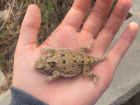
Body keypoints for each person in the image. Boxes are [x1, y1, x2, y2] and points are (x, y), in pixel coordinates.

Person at [10, 0, 139, 105]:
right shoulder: (51, 56)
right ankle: (90, 53)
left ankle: (93, 75)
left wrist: (50, 77)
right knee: (82, 51)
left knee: (86, 73)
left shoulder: (54, 69)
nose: (40, 66)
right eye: (41, 65)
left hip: (82, 63)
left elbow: (55, 73)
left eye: (42, 66)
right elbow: (51, 52)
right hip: (80, 55)